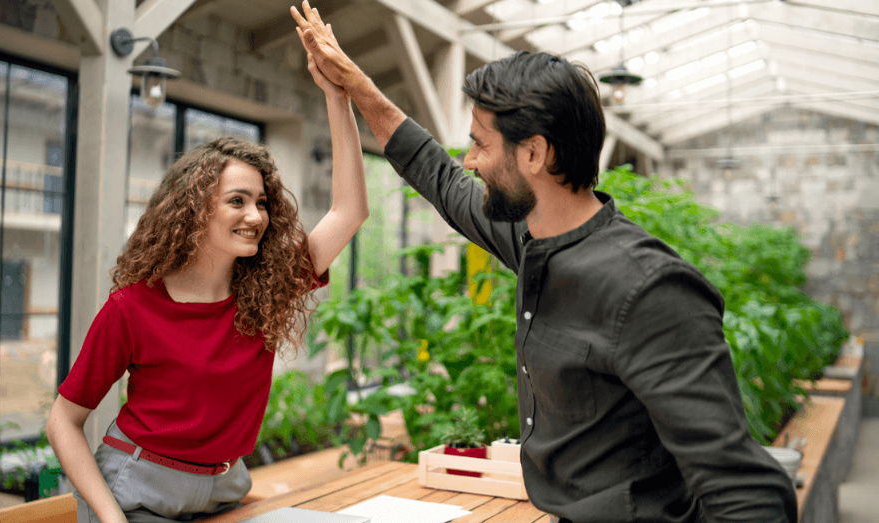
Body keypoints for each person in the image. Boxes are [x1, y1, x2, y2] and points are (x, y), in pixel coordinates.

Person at [291, 2, 797, 522]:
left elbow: (749, 496)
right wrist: (357, 89)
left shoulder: (648, 290)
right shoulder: (532, 239)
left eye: (480, 145)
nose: (469, 161)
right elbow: (439, 177)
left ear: (533, 153)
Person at [46, 46, 368, 523]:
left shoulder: (267, 288)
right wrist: (111, 518)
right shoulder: (132, 308)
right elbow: (63, 421)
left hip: (225, 488)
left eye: (261, 202)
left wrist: (337, 97)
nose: (255, 216)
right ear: (194, 210)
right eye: (236, 201)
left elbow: (350, 211)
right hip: (137, 490)